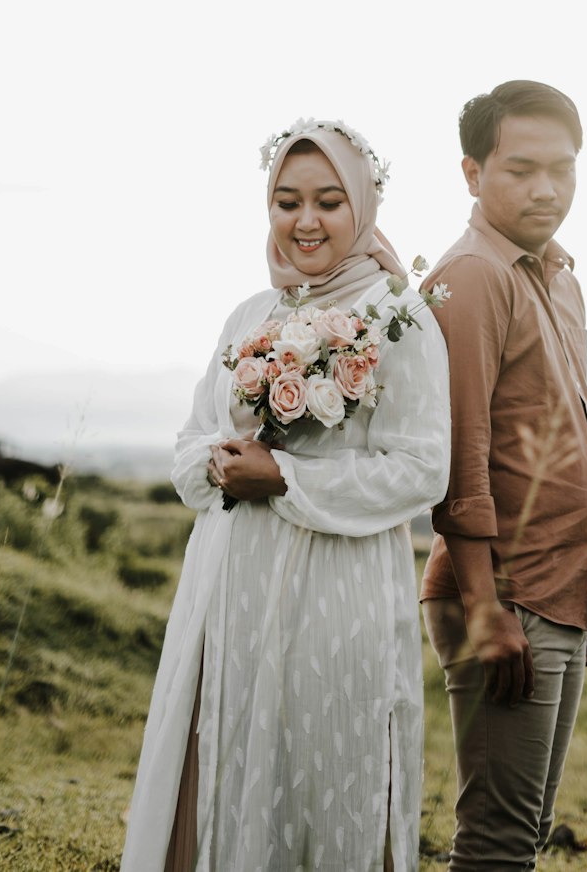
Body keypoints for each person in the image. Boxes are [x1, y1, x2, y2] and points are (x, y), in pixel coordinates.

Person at [120, 119, 450, 872]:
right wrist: (220, 464)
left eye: (330, 202)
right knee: (223, 759)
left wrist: (290, 479)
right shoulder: (249, 316)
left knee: (323, 763)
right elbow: (188, 449)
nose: (306, 221)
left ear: (364, 207)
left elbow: (422, 469)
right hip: (229, 590)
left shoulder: (398, 318)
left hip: (338, 595)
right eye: (287, 201)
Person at [420, 80, 587, 871]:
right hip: (501, 595)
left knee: (526, 832)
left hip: (555, 592)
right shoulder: (472, 277)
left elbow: (562, 437)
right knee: (498, 847)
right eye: (521, 169)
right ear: (472, 173)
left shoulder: (559, 276)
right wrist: (483, 605)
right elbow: (460, 452)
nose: (547, 189)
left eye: (563, 170)